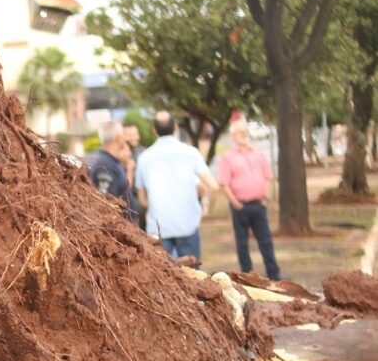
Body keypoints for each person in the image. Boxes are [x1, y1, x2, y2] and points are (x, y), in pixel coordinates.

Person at [135, 110, 218, 261]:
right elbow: (213, 186)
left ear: (154, 130)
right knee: (194, 278)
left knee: (163, 279)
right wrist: (207, 209)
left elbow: (142, 200)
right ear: (176, 128)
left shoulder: (143, 158)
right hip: (187, 225)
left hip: (158, 229)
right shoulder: (191, 153)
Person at [216, 119, 281, 280]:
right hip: (240, 206)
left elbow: (267, 176)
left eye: (245, 132)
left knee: (265, 240)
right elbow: (224, 183)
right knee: (242, 243)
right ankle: (247, 275)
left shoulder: (257, 153)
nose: (244, 135)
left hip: (258, 204)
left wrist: (265, 195)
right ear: (233, 135)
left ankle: (274, 274)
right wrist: (235, 202)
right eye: (240, 132)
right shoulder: (227, 157)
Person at [86, 120, 138, 222]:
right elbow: (106, 203)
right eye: (123, 134)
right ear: (118, 138)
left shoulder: (111, 162)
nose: (126, 138)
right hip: (119, 229)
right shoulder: (105, 165)